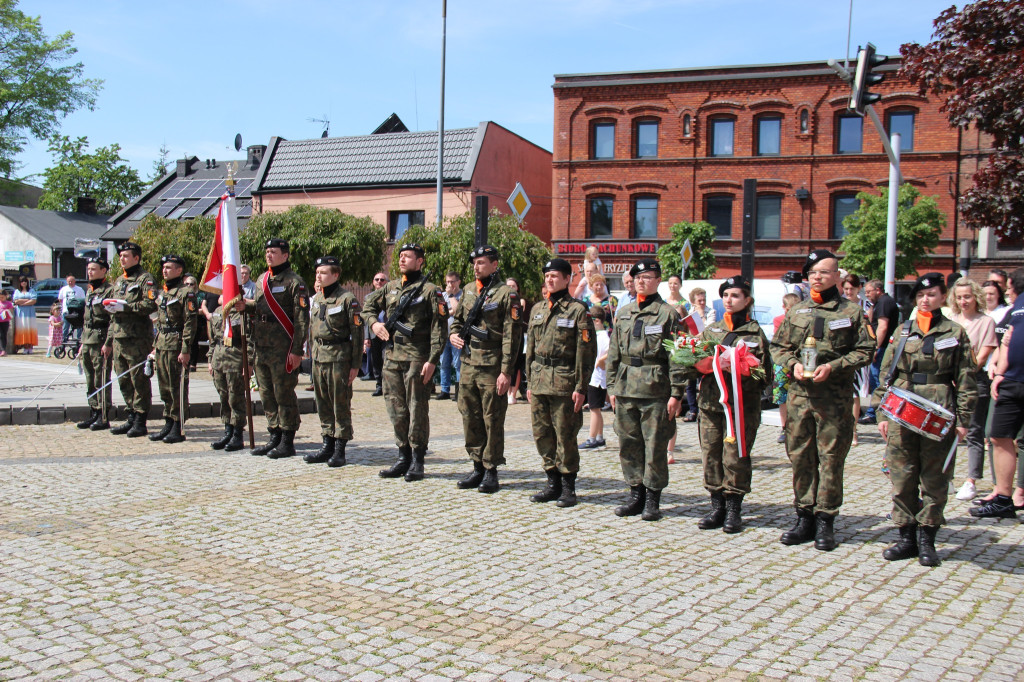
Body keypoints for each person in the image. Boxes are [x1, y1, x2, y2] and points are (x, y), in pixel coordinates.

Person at [771, 249, 873, 551]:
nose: (818, 277)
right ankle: (804, 516)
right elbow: (779, 346)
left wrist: (835, 366)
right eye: (813, 272)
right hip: (801, 397)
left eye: (825, 272)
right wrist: (793, 365)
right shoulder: (797, 311)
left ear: (837, 277)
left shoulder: (851, 312)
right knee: (801, 456)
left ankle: (826, 519)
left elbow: (866, 351)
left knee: (830, 459)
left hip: (834, 398)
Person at [875, 273, 977, 566]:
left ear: (944, 297)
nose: (925, 299)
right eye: (921, 295)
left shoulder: (954, 332)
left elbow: (966, 378)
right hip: (902, 407)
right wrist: (882, 412)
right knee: (902, 472)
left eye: (932, 294)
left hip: (939, 407)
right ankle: (906, 536)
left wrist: (963, 419)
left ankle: (927, 538)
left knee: (934, 476)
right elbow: (887, 373)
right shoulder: (903, 331)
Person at [606, 257, 686, 521]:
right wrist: (611, 386)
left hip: (655, 389)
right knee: (628, 444)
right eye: (638, 278)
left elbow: (677, 356)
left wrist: (677, 393)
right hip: (626, 386)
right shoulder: (625, 312)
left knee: (654, 446)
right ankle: (635, 494)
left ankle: (653, 498)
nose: (641, 281)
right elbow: (614, 351)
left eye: (648, 277)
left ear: (658, 280)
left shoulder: (668, 314)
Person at [692, 276, 771, 533]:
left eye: (735, 295)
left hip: (741, 407)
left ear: (747, 300)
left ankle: (734, 509)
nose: (729, 300)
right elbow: (697, 362)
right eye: (725, 295)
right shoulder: (712, 329)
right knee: (711, 454)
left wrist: (743, 368)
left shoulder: (755, 333)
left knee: (736, 456)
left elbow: (765, 373)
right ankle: (717, 507)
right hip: (711, 404)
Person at [362, 244, 445, 481]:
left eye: (407, 256)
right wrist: (374, 324)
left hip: (417, 358)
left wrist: (432, 359)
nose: (401, 259)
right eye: (400, 256)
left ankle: (418, 459)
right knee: (395, 407)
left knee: (417, 408)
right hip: (392, 357)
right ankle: (403, 455)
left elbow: (439, 328)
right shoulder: (390, 287)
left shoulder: (431, 291)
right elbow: (368, 306)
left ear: (420, 262)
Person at [449, 245, 523, 493]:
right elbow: (458, 321)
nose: (476, 267)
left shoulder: (506, 294)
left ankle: (491, 470)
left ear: (494, 264)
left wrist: (506, 371)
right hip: (469, 362)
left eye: (481, 262)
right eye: (474, 263)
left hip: (492, 364)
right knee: (469, 415)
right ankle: (476, 465)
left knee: (492, 418)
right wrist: (453, 335)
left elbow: (512, 336)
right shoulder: (469, 291)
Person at [525, 258, 597, 507]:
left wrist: (581, 387)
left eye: (555, 276)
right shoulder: (537, 309)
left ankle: (568, 487)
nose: (550, 280)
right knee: (542, 434)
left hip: (564, 382)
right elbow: (530, 350)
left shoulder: (577, 310)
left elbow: (586, 352)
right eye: (547, 276)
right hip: (540, 379)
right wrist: (529, 382)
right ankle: (552, 483)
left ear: (568, 279)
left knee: (565, 435)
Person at [246, 238, 310, 458]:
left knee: (283, 393)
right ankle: (274, 433)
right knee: (266, 393)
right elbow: (259, 307)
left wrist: (296, 350)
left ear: (285, 255)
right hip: (261, 346)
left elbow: (301, 319)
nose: (269, 255)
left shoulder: (295, 282)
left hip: (283, 347)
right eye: (267, 251)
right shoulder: (261, 279)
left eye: (273, 252)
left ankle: (287, 439)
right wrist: (244, 306)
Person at [971, 267, 1024, 519]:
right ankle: (1003, 497)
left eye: (1008, 288)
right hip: (1011, 380)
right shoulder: (1015, 308)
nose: (1008, 293)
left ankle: (1018, 493)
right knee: (997, 435)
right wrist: (1001, 371)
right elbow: (1007, 340)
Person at [305, 256, 364, 467]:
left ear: (335, 275)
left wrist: (355, 365)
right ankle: (327, 443)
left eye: (323, 273)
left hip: (339, 358)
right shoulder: (318, 299)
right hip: (319, 357)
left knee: (340, 404)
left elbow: (357, 334)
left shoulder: (347, 299)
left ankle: (340, 448)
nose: (318, 276)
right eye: (317, 273)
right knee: (322, 403)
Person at [947, 279, 998, 501]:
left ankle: (971, 480)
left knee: (974, 432)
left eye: (967, 296)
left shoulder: (986, 321)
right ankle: (945, 477)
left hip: (974, 381)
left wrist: (963, 375)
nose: (963, 301)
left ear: (975, 296)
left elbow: (983, 354)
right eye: (959, 297)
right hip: (949, 382)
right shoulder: (951, 320)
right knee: (946, 432)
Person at [103, 242, 158, 438]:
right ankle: (131, 415)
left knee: (138, 379)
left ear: (136, 258)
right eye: (120, 256)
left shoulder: (145, 279)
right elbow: (113, 316)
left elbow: (150, 304)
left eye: (126, 256)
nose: (122, 259)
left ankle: (141, 420)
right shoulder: (119, 281)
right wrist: (109, 340)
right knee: (123, 379)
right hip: (119, 337)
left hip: (137, 338)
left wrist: (126, 306)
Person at [147, 255, 198, 444]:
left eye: (169, 267)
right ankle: (168, 421)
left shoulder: (186, 293)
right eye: (164, 267)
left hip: (176, 345)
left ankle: (178, 425)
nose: (164, 270)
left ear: (179, 271)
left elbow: (190, 323)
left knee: (177, 387)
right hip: (162, 344)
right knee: (165, 387)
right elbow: (160, 322)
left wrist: (185, 349)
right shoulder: (163, 293)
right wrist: (155, 346)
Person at [77, 258, 114, 430]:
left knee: (101, 378)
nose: (89, 272)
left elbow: (113, 320)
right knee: (90, 378)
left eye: (93, 269)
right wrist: (82, 343)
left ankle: (103, 415)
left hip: (101, 339)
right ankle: (93, 411)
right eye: (88, 269)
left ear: (103, 271)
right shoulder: (90, 291)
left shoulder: (109, 291)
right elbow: (86, 320)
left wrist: (108, 343)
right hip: (88, 340)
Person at [207, 296, 247, 452]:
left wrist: (248, 361)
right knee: (223, 396)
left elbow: (249, 339)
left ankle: (237, 434)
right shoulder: (217, 312)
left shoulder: (241, 313)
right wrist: (210, 359)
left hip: (235, 357)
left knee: (235, 396)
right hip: (219, 357)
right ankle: (228, 431)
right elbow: (213, 339)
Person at [860, 279, 900, 425]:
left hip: (882, 348)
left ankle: (875, 412)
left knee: (879, 381)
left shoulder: (884, 302)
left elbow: (882, 327)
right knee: (875, 381)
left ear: (878, 290)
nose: (867, 295)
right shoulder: (880, 303)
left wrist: (876, 347)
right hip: (881, 347)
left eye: (869, 292)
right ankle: (874, 411)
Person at [842, 274, 871, 446]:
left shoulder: (866, 305)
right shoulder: (840, 305)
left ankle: (853, 430)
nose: (848, 292)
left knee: (854, 395)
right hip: (842, 352)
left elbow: (868, 330)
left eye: (851, 289)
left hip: (857, 352)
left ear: (858, 288)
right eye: (845, 289)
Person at [683, 287, 717, 423]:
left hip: (705, 350)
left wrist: (702, 314)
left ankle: (704, 409)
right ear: (693, 301)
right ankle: (692, 410)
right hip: (692, 349)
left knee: (703, 382)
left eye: (704, 300)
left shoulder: (711, 312)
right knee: (690, 383)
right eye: (699, 300)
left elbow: (706, 331)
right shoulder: (689, 313)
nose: (702, 302)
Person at [581, 305, 610, 449]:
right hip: (595, 377)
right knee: (596, 408)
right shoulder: (597, 336)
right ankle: (599, 437)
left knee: (594, 409)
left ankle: (592, 438)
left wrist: (600, 360)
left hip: (597, 378)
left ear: (597, 320)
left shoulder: (603, 336)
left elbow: (610, 351)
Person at [773, 293, 801, 443]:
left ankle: (797, 426)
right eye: (789, 308)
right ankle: (784, 427)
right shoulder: (779, 320)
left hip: (799, 361)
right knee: (782, 396)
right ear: (784, 308)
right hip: (782, 363)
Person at [436, 271, 463, 401]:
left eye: (452, 281)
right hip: (444, 334)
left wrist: (452, 297)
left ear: (458, 282)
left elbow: (458, 311)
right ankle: (444, 390)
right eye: (447, 282)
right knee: (444, 363)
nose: (449, 284)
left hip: (457, 335)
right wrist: (449, 311)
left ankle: (459, 391)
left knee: (458, 363)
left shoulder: (462, 295)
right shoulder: (443, 296)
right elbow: (441, 313)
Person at [506, 277, 529, 405]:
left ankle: (513, 393)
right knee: (507, 363)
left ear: (517, 288)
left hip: (517, 334)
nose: (510, 288)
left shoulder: (520, 301)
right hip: (506, 334)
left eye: (513, 286)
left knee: (517, 364)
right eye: (508, 285)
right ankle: (507, 391)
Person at [365, 271, 388, 397]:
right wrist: (366, 337)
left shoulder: (391, 296)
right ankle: (379, 385)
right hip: (374, 334)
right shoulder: (369, 298)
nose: (379, 282)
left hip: (387, 333)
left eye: (382, 280)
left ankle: (387, 385)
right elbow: (366, 319)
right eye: (377, 279)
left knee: (386, 359)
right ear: (373, 282)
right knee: (376, 361)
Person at [57, 274, 85, 344]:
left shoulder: (79, 289)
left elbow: (83, 299)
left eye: (71, 281)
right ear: (67, 281)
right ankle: (64, 340)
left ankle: (79, 340)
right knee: (65, 327)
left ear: (74, 281)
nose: (70, 282)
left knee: (79, 327)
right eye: (69, 281)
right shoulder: (63, 289)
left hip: (77, 311)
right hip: (66, 311)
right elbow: (60, 299)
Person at [11, 277, 37, 353]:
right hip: (20, 312)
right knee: (22, 328)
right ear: (20, 283)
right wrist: (27, 300)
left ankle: (30, 346)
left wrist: (23, 303)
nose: (24, 283)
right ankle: (25, 346)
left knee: (30, 328)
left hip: (30, 312)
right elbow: (16, 301)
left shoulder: (31, 290)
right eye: (22, 281)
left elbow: (33, 300)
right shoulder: (17, 291)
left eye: (25, 281)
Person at [0, 289, 13, 356]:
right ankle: (1, 349)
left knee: (3, 335)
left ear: (6, 296)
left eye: (2, 297)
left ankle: (3, 350)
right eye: (0, 297)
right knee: (0, 335)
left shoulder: (8, 303)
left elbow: (11, 312)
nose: (1, 299)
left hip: (5, 322)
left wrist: (6, 311)